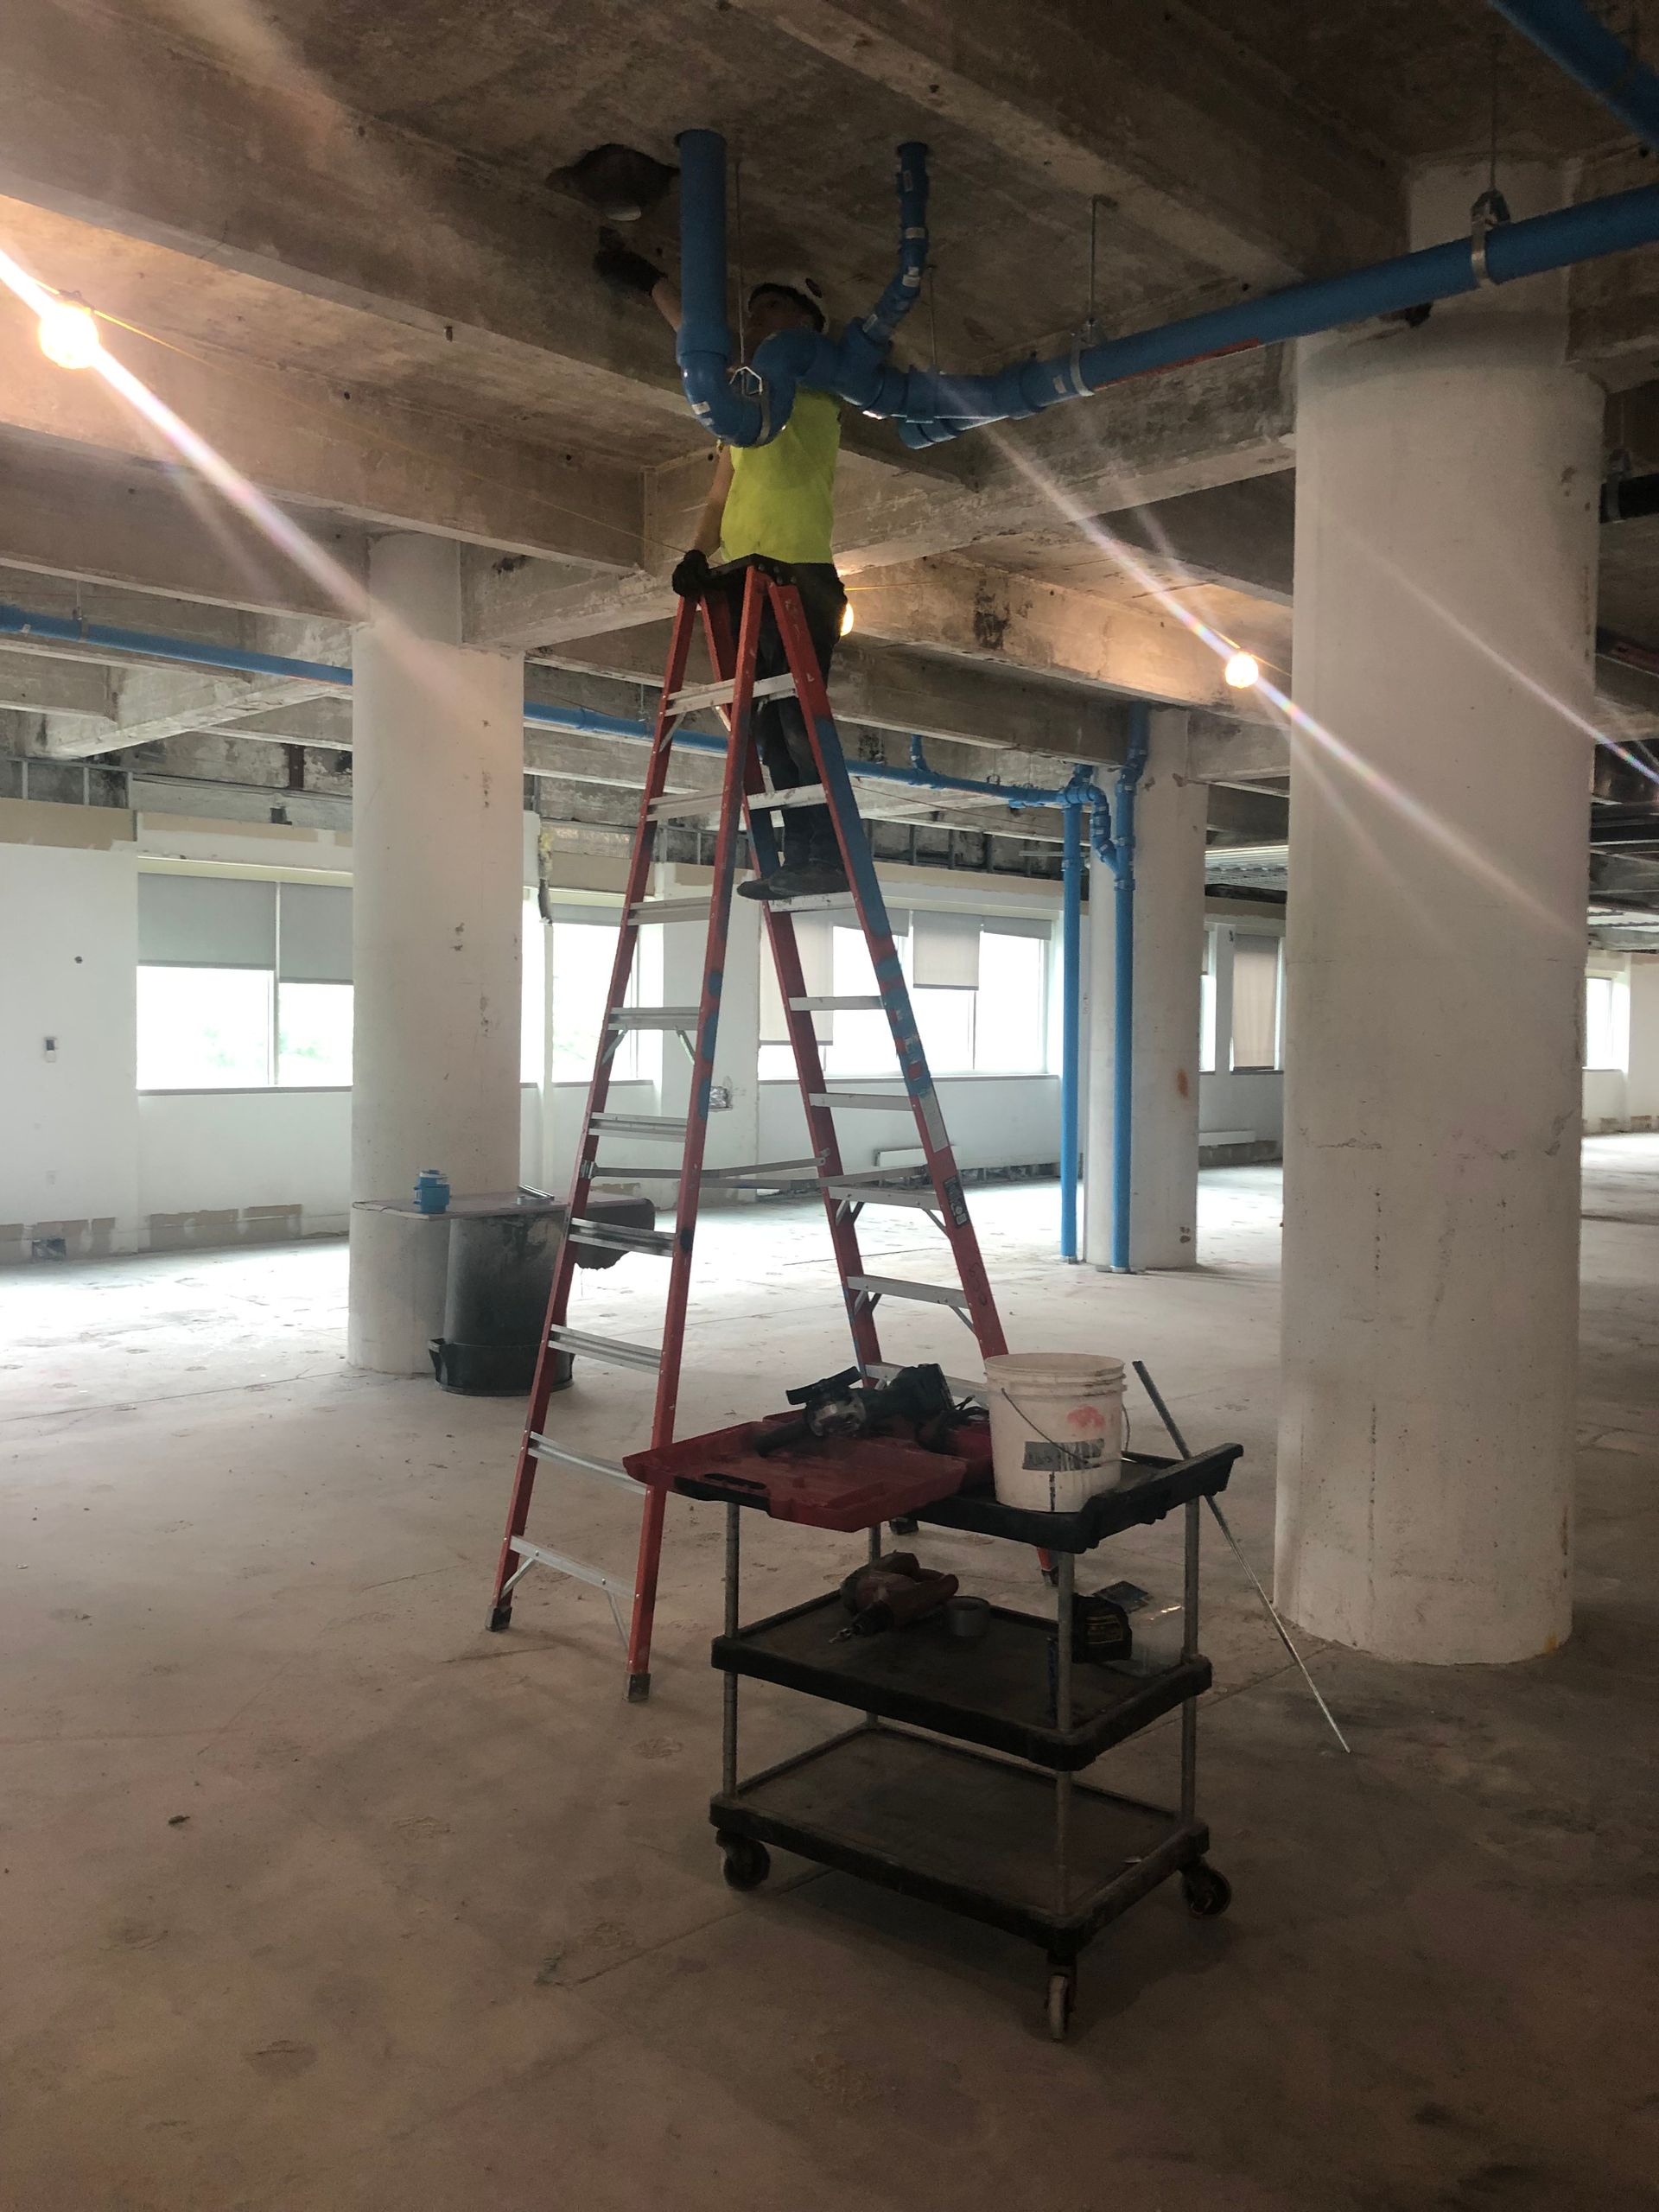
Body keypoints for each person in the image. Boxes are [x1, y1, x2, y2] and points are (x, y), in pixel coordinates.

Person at [595, 236, 851, 899]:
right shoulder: (743, 415)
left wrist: (651, 281)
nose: (758, 318)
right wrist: (696, 552)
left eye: (773, 308)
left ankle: (828, 853)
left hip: (799, 576)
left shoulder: (817, 383)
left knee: (797, 722)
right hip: (746, 577)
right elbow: (718, 498)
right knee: (765, 730)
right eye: (754, 308)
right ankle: (801, 856)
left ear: (808, 325)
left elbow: (709, 342)